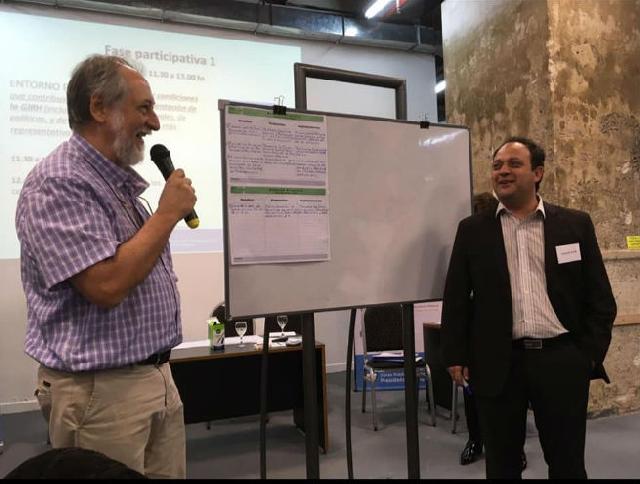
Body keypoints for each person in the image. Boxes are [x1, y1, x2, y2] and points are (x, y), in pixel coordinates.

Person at [15, 54, 197, 478]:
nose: (155, 123)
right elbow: (106, 285)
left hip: (153, 378)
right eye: (144, 108)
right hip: (101, 394)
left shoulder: (114, 184)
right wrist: (166, 214)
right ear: (99, 107)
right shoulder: (59, 182)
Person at [441, 137, 616, 479]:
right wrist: (455, 354)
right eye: (497, 166)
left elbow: (600, 299)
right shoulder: (473, 230)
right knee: (502, 467)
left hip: (561, 360)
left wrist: (587, 356)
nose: (503, 171)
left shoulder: (574, 224)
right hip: (498, 363)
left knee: (567, 465)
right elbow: (457, 298)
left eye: (514, 164)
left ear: (537, 173)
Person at [458, 193, 527, 471]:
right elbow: (459, 294)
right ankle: (475, 440)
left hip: (508, 335)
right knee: (474, 394)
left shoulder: (508, 241)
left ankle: (516, 449)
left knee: (512, 404)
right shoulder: (469, 236)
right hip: (478, 335)